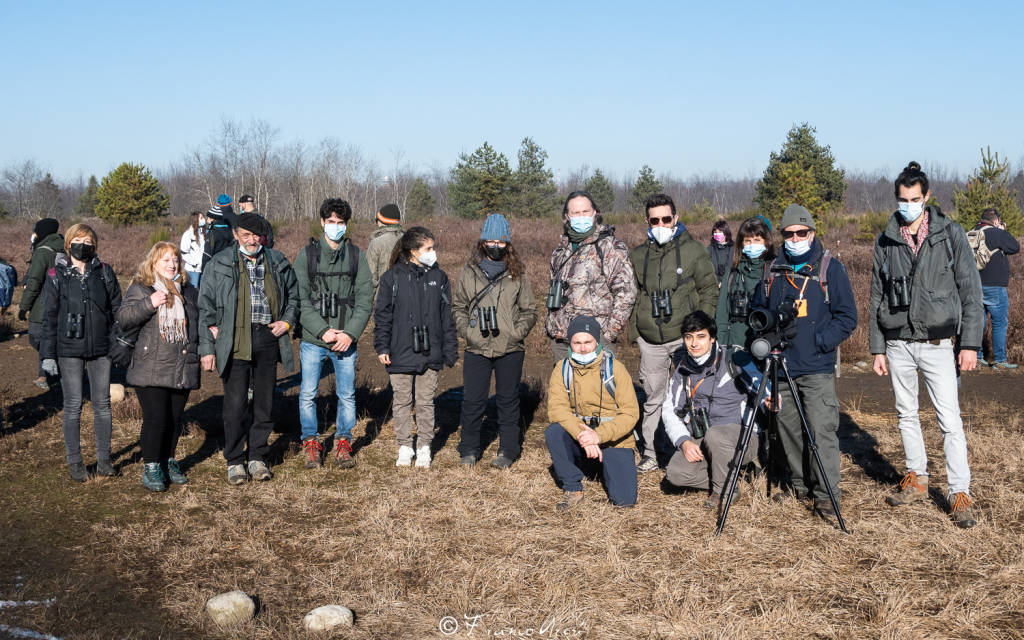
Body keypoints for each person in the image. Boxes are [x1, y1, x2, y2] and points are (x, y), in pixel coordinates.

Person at [870, 162, 983, 528]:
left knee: (949, 420)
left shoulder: (949, 235)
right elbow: (876, 293)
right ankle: (916, 479)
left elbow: (971, 293)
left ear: (927, 197)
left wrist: (969, 344)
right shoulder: (887, 239)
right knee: (906, 415)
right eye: (902, 199)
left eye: (914, 199)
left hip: (937, 343)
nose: (908, 205)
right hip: (898, 341)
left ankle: (958, 492)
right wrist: (877, 347)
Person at [755, 203, 857, 519]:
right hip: (781, 367)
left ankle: (827, 496)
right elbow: (760, 314)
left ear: (811, 233)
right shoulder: (771, 271)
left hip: (816, 368)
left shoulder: (829, 269)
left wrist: (820, 342)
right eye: (789, 233)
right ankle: (800, 487)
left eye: (801, 232)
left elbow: (847, 317)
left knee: (820, 430)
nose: (796, 238)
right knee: (788, 430)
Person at [199, 213, 298, 485]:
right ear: (235, 235)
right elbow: (205, 307)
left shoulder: (277, 261)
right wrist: (207, 347)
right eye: (246, 235)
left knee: (265, 402)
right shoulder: (219, 263)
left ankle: (257, 456)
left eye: (257, 235)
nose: (252, 240)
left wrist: (287, 322)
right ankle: (234, 460)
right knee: (235, 404)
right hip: (234, 340)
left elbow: (293, 297)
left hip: (267, 338)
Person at [628, 193, 718, 473]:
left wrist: (700, 330)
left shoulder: (694, 251)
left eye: (666, 219)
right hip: (651, 341)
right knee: (654, 396)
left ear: (676, 218)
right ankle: (652, 452)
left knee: (691, 396)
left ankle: (694, 451)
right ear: (647, 221)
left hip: (684, 338)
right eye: (654, 220)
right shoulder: (639, 254)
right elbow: (634, 294)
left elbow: (708, 290)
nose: (661, 224)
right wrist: (636, 332)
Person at [452, 214, 538, 468]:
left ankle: (508, 451)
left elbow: (530, 310)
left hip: (509, 348)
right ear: (482, 241)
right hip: (476, 346)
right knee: (473, 400)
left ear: (507, 244)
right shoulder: (468, 271)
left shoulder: (517, 273)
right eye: (490, 240)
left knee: (508, 399)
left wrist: (515, 332)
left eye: (500, 242)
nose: (495, 246)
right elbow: (458, 307)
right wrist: (468, 332)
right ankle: (468, 449)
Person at [294, 198, 373, 469]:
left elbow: (365, 300)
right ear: (322, 222)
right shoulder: (307, 256)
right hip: (314, 339)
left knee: (347, 395)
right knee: (307, 393)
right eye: (331, 222)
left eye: (340, 223)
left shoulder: (356, 256)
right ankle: (311, 442)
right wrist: (323, 330)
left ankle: (343, 441)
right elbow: (300, 300)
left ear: (346, 224)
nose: (335, 227)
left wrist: (349, 333)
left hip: (345, 340)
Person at [40, 224, 122, 482]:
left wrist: (119, 343)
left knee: (103, 405)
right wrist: (48, 355)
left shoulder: (104, 272)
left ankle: (104, 460)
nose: (83, 244)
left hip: (101, 349)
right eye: (78, 239)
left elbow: (118, 309)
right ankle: (75, 462)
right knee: (73, 406)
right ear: (68, 243)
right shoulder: (56, 274)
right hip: (68, 349)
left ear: (95, 245)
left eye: (88, 240)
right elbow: (50, 317)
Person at [117, 242, 201, 492]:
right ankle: (151, 465)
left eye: (175, 259)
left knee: (175, 418)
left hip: (181, 364)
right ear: (153, 263)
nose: (172, 264)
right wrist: (149, 304)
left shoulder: (188, 290)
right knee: (156, 418)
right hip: (150, 365)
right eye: (165, 260)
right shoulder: (141, 288)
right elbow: (123, 319)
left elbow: (196, 324)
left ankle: (168, 460)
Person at [374, 227, 458, 469]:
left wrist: (449, 349)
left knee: (425, 401)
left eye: (434, 248)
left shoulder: (439, 278)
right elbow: (382, 316)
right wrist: (382, 346)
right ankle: (404, 445)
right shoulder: (391, 278)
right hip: (399, 350)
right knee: (401, 401)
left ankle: (424, 446)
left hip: (430, 351)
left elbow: (446, 317)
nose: (433, 253)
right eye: (428, 249)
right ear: (413, 251)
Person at [662, 311, 765, 508]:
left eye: (701, 337)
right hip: (703, 434)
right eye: (688, 337)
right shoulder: (682, 370)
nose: (694, 343)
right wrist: (683, 442)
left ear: (712, 338)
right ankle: (734, 475)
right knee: (675, 474)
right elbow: (669, 410)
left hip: (741, 435)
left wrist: (770, 400)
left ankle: (725, 491)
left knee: (715, 435)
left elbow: (762, 388)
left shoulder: (734, 359)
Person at [544, 315, 639, 510]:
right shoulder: (561, 370)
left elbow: (630, 414)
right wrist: (582, 435)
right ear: (570, 343)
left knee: (625, 501)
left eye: (588, 342)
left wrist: (598, 436)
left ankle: (604, 468)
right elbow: (557, 410)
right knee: (554, 431)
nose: (583, 347)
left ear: (597, 342)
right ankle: (572, 488)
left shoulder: (616, 369)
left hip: (613, 439)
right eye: (577, 342)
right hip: (581, 439)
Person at [546, 191, 636, 360]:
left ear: (595, 212)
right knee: (564, 386)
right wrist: (552, 327)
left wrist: (609, 333)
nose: (581, 216)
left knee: (595, 386)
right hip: (561, 341)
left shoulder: (609, 247)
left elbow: (627, 293)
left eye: (585, 212)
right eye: (576, 213)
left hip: (594, 340)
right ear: (567, 216)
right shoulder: (560, 251)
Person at [716, 217, 777, 351]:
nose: (752, 245)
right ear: (741, 244)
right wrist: (721, 346)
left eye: (757, 240)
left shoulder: (775, 272)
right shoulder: (733, 274)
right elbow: (722, 315)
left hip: (767, 345)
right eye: (747, 241)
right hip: (735, 346)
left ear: (766, 243)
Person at [971, 208, 1019, 368]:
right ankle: (1000, 360)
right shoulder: (997, 233)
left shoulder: (971, 233)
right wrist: (1002, 232)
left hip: (974, 285)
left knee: (978, 321)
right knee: (999, 322)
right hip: (995, 286)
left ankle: (977, 356)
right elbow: (1015, 247)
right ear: (996, 221)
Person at [20, 218, 63, 389]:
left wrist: (23, 307)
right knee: (49, 337)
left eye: (36, 231)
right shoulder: (63, 248)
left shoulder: (43, 252)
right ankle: (44, 374)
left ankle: (53, 368)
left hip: (42, 304)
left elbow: (34, 282)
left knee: (36, 337)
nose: (33, 235)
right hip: (62, 302)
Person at [366, 204, 404, 293]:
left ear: (381, 221)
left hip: (383, 297)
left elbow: (370, 278)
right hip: (407, 297)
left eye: (377, 220)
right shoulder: (409, 239)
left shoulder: (376, 243)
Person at [201, 205, 234, 273]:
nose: (207, 220)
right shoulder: (230, 231)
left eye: (208, 218)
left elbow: (207, 255)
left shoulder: (212, 233)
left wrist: (203, 271)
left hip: (215, 269)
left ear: (213, 219)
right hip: (230, 268)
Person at [180, 211, 206, 288]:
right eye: (201, 218)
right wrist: (195, 263)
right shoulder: (188, 234)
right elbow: (184, 252)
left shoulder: (202, 233)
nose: (203, 219)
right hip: (193, 270)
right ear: (195, 220)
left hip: (202, 269)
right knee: (193, 291)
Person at [707, 220, 734, 286]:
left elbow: (731, 267)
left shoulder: (733, 248)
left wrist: (724, 282)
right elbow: (707, 268)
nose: (717, 234)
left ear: (726, 232)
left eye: (720, 232)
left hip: (729, 283)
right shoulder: (710, 248)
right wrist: (717, 281)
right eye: (715, 232)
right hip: (714, 283)